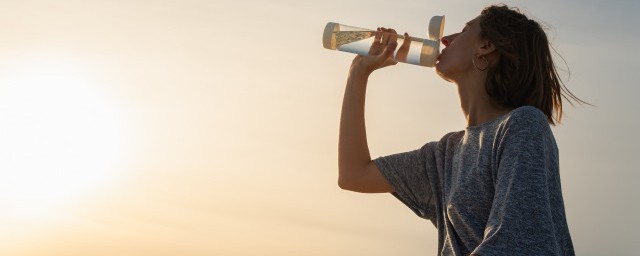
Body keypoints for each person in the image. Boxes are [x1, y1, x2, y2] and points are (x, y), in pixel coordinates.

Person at [337, 5, 581, 256]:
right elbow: (354, 174)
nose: (445, 39)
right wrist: (359, 72)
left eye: (464, 30)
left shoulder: (523, 125)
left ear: (486, 46)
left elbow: (518, 246)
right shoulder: (445, 155)